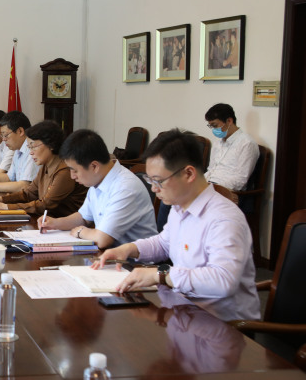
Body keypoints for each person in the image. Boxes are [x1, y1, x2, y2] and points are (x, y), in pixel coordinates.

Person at [93, 129, 260, 322]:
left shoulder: (223, 219)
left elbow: (223, 281)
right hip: (184, 310)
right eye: (150, 180)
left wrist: (160, 275)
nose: (153, 189)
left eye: (158, 181)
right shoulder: (180, 207)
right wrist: (128, 249)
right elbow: (164, 243)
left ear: (188, 173)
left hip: (221, 324)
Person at [40, 129, 156, 249]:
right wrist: (55, 223)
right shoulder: (98, 179)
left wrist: (81, 232)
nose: (72, 176)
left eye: (74, 170)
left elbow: (102, 240)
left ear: (94, 166)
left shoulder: (125, 187)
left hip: (133, 259)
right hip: (111, 254)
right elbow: (83, 218)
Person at [0, 120, 87, 217]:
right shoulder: (45, 166)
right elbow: (28, 194)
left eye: (33, 146)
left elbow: (45, 205)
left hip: (67, 226)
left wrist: (5, 207)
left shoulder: (65, 171)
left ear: (51, 145)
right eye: (29, 147)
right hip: (49, 221)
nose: (31, 152)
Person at [203, 103, 259, 190]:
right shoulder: (217, 142)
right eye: (211, 126)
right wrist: (199, 183)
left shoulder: (247, 143)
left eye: (215, 125)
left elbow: (240, 181)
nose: (214, 130)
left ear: (229, 121)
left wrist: (213, 187)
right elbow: (211, 170)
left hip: (228, 191)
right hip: (210, 186)